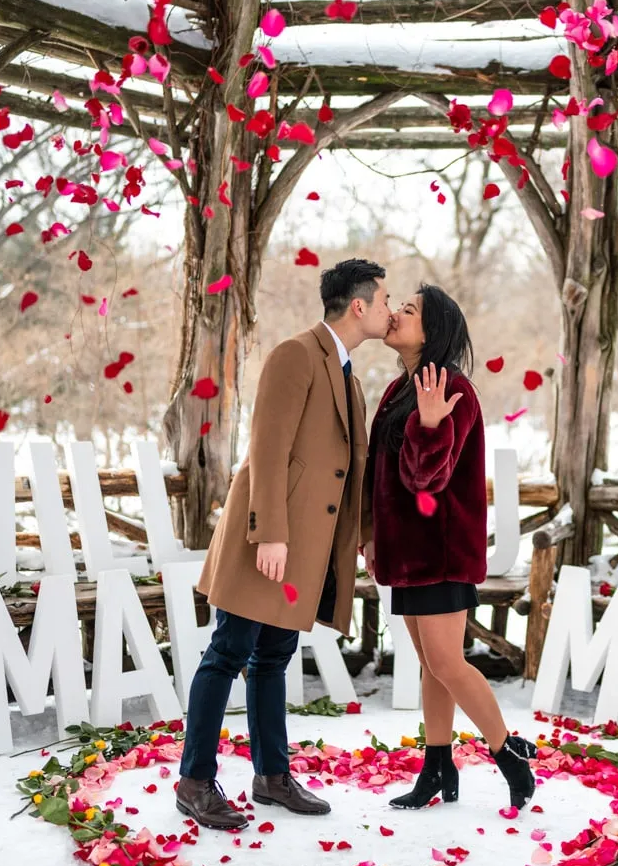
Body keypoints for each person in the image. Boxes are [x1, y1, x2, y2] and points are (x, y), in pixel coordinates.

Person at [176, 258, 392, 829]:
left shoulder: (346, 376)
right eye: (386, 300)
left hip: (305, 550)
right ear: (359, 306)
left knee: (273, 659)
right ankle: (194, 779)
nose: (392, 310)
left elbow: (352, 469)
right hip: (267, 541)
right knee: (227, 653)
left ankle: (272, 777)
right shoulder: (297, 355)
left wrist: (364, 537)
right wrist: (269, 532)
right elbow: (267, 450)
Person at [362, 285, 537, 811]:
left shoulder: (453, 390)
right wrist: (372, 534)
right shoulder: (401, 388)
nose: (394, 315)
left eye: (408, 311)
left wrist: (431, 423)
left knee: (447, 663)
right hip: (409, 554)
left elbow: (424, 480)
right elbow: (384, 477)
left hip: (440, 552)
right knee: (431, 664)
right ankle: (437, 767)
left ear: (431, 331)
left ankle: (508, 753)